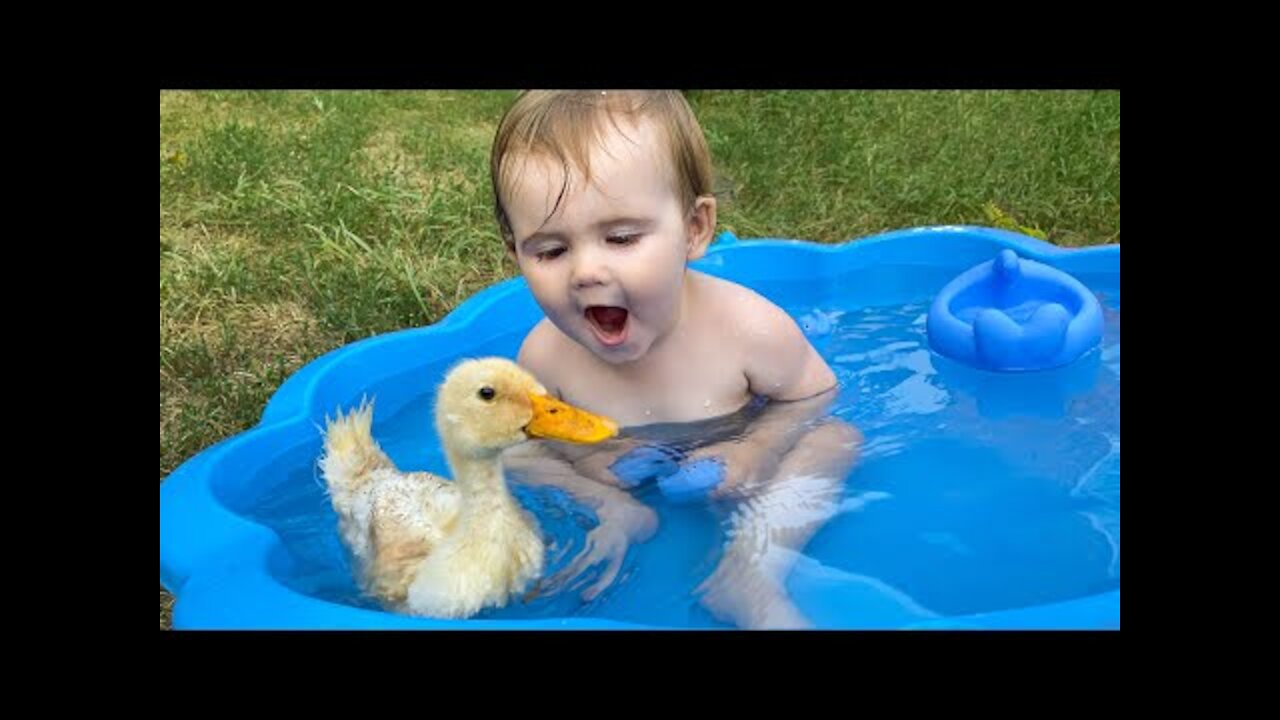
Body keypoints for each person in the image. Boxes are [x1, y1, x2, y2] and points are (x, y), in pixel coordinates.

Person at [491, 90, 862, 629]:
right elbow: (537, 442)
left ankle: (751, 569)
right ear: (515, 252)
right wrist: (590, 471)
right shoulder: (545, 355)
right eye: (549, 251)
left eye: (620, 237)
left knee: (837, 439)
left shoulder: (749, 329)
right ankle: (619, 515)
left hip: (736, 448)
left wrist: (756, 447)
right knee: (507, 454)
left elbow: (815, 397)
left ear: (694, 229)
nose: (586, 271)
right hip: (622, 477)